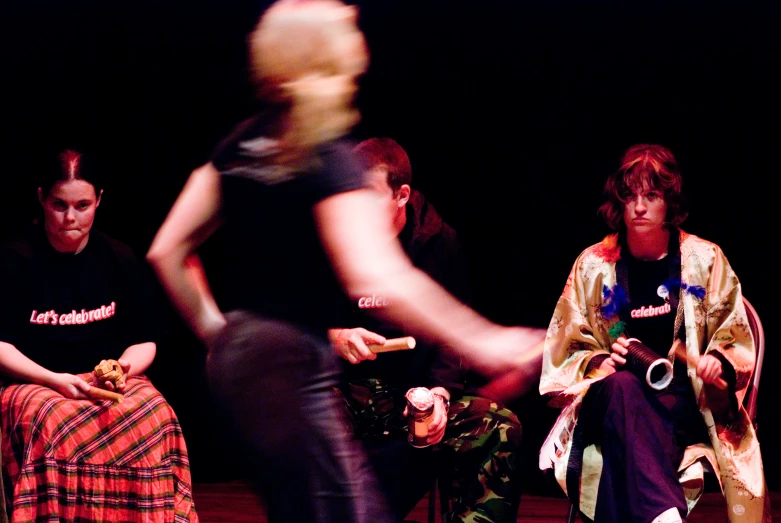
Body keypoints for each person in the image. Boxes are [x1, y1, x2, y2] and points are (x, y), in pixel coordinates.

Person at [145, 1, 544, 522]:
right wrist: (485, 339)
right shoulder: (324, 157)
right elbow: (377, 273)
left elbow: (167, 250)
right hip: (293, 364)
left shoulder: (239, 144)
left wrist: (219, 335)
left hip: (235, 369)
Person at [538, 144, 771, 523]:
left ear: (670, 202)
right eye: (630, 196)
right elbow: (565, 350)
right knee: (624, 389)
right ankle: (664, 514)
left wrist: (718, 365)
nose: (639, 207)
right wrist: (600, 362)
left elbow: (732, 338)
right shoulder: (593, 264)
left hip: (683, 406)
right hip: (611, 398)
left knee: (626, 444)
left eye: (652, 196)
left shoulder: (705, 260)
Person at [330, 137, 523, 523]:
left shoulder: (438, 242)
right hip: (345, 392)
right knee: (307, 419)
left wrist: (439, 395)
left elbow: (452, 336)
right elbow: (298, 323)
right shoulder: (334, 239)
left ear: (402, 195)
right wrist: (335, 336)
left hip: (411, 393)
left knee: (499, 426)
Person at [0, 150, 198, 522]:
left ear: (99, 201)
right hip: (35, 381)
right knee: (52, 420)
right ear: (42, 198)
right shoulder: (14, 259)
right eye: (59, 205)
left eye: (82, 205)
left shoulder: (118, 258)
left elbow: (145, 339)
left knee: (156, 414)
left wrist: (122, 369)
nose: (70, 218)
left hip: (104, 382)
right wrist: (52, 379)